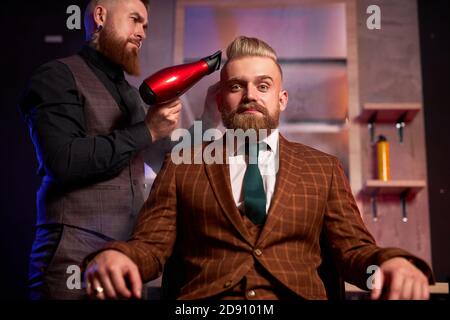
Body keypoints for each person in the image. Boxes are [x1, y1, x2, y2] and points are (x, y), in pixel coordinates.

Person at [84, 36, 433, 300]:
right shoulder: (182, 164)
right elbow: (150, 245)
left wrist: (392, 262)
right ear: (221, 101)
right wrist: (119, 255)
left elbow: (354, 251)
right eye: (236, 86)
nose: (250, 95)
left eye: (263, 86)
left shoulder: (323, 168)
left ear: (281, 99)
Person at [19, 0, 183, 299]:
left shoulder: (132, 96)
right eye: (134, 20)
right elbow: (63, 161)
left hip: (127, 260)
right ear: (100, 16)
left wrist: (210, 118)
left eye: (145, 26)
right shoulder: (56, 76)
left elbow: (164, 163)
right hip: (71, 262)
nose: (142, 33)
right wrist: (147, 130)